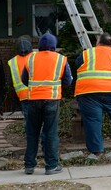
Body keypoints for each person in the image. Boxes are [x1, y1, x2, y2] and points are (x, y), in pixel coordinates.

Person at [21, 32, 72, 175]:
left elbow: (24, 80)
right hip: (52, 100)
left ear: (39, 46)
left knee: (32, 133)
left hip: (33, 100)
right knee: (51, 133)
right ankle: (51, 166)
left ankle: (29, 166)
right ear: (54, 47)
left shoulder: (30, 58)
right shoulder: (61, 59)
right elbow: (67, 81)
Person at [8, 36, 46, 150]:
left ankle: (31, 147)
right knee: (44, 122)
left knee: (30, 123)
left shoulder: (12, 61)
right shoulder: (36, 57)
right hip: (38, 94)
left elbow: (12, 81)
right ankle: (44, 146)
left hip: (24, 96)